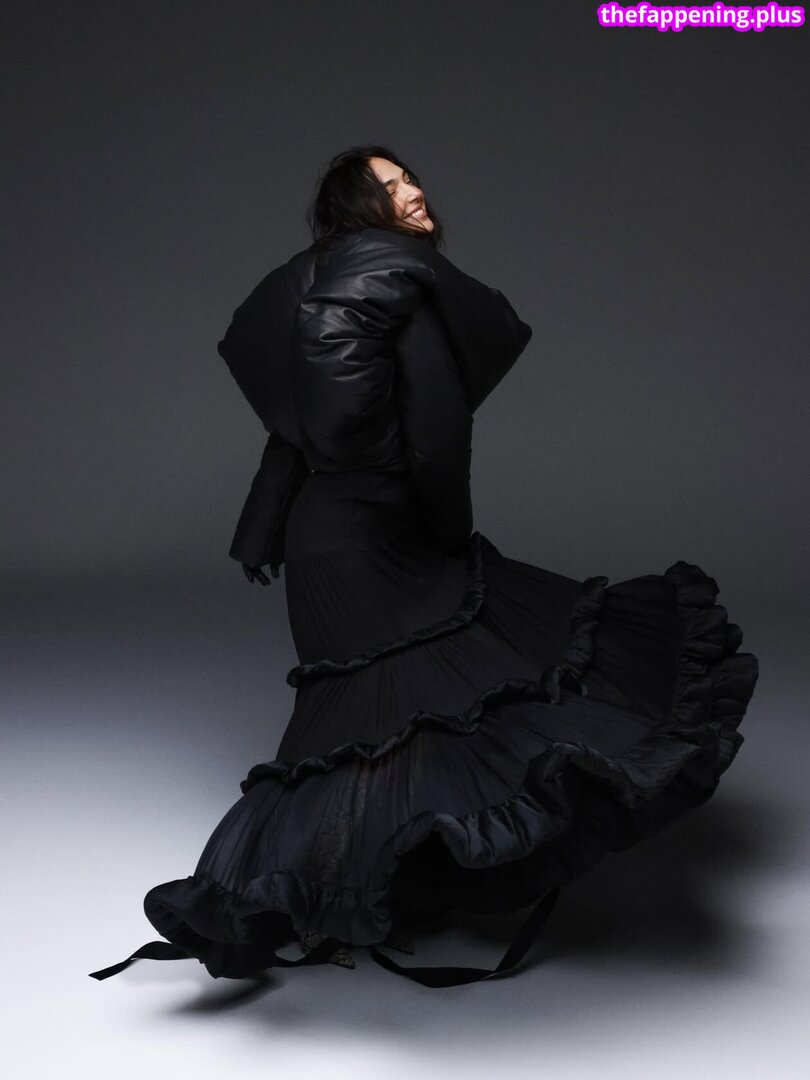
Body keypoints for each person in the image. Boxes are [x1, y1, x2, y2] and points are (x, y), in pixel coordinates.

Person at [88, 145, 759, 988]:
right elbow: (434, 435)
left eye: (410, 180)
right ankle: (329, 887)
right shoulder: (403, 283)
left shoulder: (298, 286)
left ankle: (371, 885)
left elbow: (292, 432)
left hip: (320, 540)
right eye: (390, 186)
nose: (413, 194)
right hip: (379, 533)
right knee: (422, 702)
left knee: (375, 720)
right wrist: (443, 527)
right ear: (356, 206)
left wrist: (261, 528)